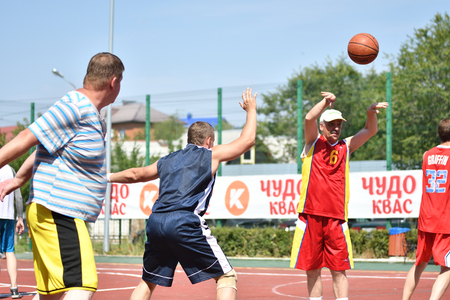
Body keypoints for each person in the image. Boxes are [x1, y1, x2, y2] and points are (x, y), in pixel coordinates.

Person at [108, 88, 257, 300]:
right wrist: (251, 110)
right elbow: (247, 140)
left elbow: (135, 174)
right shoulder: (210, 154)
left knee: (148, 281)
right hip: (183, 221)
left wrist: (106, 176)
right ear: (208, 140)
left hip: (156, 222)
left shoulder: (167, 159)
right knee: (226, 277)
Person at [0, 52, 124, 300]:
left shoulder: (93, 116)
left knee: (52, 295)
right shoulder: (74, 106)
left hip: (56, 211)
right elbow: (28, 137)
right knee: (83, 285)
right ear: (114, 82)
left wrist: (18, 180)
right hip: (59, 211)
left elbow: (42, 148)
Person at [290, 91, 388, 300]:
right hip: (310, 215)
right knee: (313, 269)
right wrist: (325, 102)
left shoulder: (346, 146)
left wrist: (370, 113)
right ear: (322, 126)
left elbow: (370, 130)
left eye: (339, 124)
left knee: (338, 269)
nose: (336, 127)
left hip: (336, 217)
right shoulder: (312, 143)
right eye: (331, 124)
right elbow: (309, 118)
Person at [402, 118, 450, 300]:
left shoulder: (426, 155)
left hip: (426, 218)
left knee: (419, 263)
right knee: (447, 267)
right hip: (445, 219)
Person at [0, 161, 25, 299]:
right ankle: (14, 289)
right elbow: (18, 196)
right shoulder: (11, 170)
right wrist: (20, 218)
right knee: (10, 251)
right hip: (8, 216)